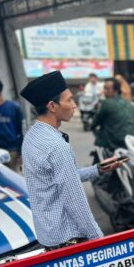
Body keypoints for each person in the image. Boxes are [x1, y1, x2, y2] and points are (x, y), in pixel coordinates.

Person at [19, 71, 123, 250]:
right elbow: (75, 201)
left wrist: (98, 169)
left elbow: (60, 179)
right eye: (69, 100)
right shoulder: (56, 146)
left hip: (49, 236)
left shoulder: (32, 136)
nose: (74, 105)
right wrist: (98, 240)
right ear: (52, 106)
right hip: (69, 238)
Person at [91, 78, 134, 151]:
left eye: (107, 89)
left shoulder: (106, 103)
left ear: (115, 90)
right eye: (104, 88)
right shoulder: (129, 103)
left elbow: (95, 123)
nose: (104, 91)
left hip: (112, 144)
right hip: (129, 143)